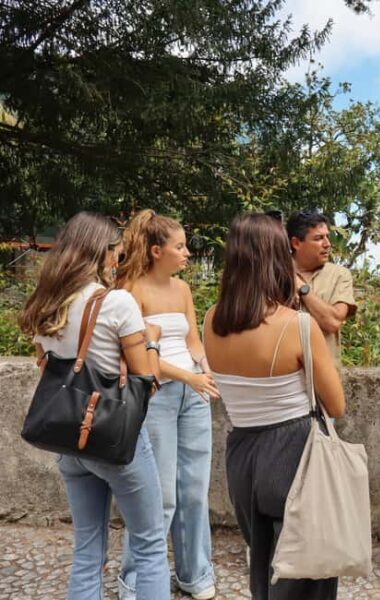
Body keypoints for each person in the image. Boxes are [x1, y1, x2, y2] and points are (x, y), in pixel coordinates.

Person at [19, 212, 170, 599]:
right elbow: (146, 384)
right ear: (101, 252)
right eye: (116, 251)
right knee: (150, 543)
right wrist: (151, 339)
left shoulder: (47, 304)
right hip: (114, 439)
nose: (118, 257)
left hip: (69, 440)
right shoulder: (117, 303)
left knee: (87, 548)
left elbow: (48, 370)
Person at [203, 213, 346, 599]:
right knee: (306, 572)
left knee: (264, 563)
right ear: (276, 258)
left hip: (242, 454)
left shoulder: (211, 320)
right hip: (294, 451)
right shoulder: (296, 325)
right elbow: (336, 404)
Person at [115, 209, 219, 600]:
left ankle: (195, 573)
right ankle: (137, 581)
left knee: (194, 489)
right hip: (154, 396)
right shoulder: (131, 291)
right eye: (180, 246)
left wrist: (206, 370)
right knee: (158, 493)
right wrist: (190, 376)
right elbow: (139, 353)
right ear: (157, 251)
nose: (187, 253)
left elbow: (194, 340)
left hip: (193, 394)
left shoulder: (183, 290)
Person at [286, 211, 357, 365]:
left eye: (327, 236)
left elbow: (332, 322)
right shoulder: (273, 274)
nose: (327, 244)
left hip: (324, 377)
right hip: (283, 377)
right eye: (319, 238)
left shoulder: (339, 275)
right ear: (296, 243)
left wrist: (301, 287)